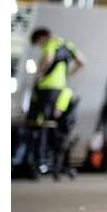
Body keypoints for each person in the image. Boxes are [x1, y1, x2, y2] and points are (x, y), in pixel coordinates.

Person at [26, 28, 85, 175]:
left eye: (39, 43)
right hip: (60, 90)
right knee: (53, 125)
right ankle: (49, 161)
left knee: (41, 125)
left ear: (43, 37)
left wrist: (40, 74)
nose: (40, 46)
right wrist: (67, 76)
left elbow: (48, 58)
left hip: (46, 89)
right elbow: (82, 62)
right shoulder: (67, 44)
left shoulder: (51, 43)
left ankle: (38, 162)